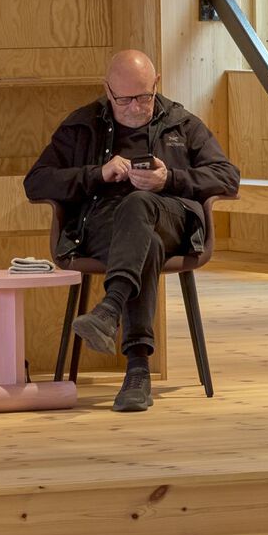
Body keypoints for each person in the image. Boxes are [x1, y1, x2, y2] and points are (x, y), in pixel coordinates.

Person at [24, 49, 239, 413]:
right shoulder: (82, 125)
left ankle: (110, 310)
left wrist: (168, 178)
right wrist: (99, 173)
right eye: (125, 100)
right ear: (108, 91)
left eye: (144, 97)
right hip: (102, 226)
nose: (136, 107)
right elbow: (37, 182)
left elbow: (227, 176)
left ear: (156, 85)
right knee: (146, 244)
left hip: (171, 217)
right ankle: (137, 369)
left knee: (140, 205)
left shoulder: (181, 124)